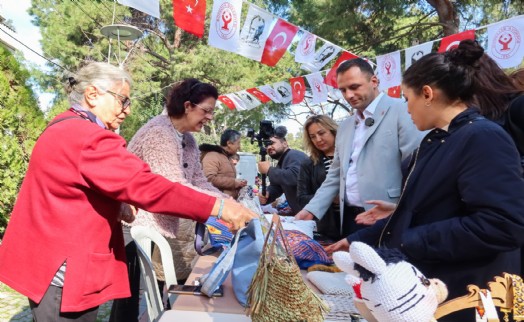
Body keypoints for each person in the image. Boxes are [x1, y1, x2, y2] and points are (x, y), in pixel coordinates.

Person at [0, 62, 256, 322]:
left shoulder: (66, 126)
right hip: (63, 267)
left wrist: (119, 203)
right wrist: (221, 208)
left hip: (52, 260)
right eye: (123, 100)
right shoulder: (87, 136)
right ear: (92, 94)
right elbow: (149, 186)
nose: (128, 109)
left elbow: (78, 187)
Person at [326, 46, 524, 321]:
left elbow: (501, 225)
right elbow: (423, 212)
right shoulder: (435, 143)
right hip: (436, 288)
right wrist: (355, 240)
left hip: (469, 295)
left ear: (428, 94)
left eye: (407, 99)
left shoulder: (483, 137)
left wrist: (408, 242)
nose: (406, 109)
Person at [295, 58, 422, 237]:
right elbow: (335, 175)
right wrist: (311, 210)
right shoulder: (346, 126)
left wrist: (404, 212)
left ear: (374, 81)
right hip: (349, 221)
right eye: (343, 90)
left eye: (354, 87)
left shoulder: (402, 111)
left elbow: (418, 170)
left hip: (389, 219)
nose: (348, 95)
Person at [296, 115, 341, 240]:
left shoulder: (352, 156)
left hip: (356, 223)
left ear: (333, 131)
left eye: (321, 133)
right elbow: (301, 198)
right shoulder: (308, 164)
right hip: (326, 229)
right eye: (313, 137)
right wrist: (329, 198)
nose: (318, 139)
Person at [258, 125, 308, 215]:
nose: (269, 147)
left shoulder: (294, 155)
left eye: (272, 143)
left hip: (312, 215)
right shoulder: (282, 162)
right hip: (302, 214)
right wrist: (267, 194)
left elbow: (295, 177)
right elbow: (278, 186)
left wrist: (269, 170)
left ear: (285, 143)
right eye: (266, 144)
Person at [200, 129, 247, 198]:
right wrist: (234, 183)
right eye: (238, 143)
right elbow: (208, 179)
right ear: (229, 144)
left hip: (227, 203)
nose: (239, 147)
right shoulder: (212, 156)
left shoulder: (227, 158)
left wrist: (239, 185)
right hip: (217, 203)